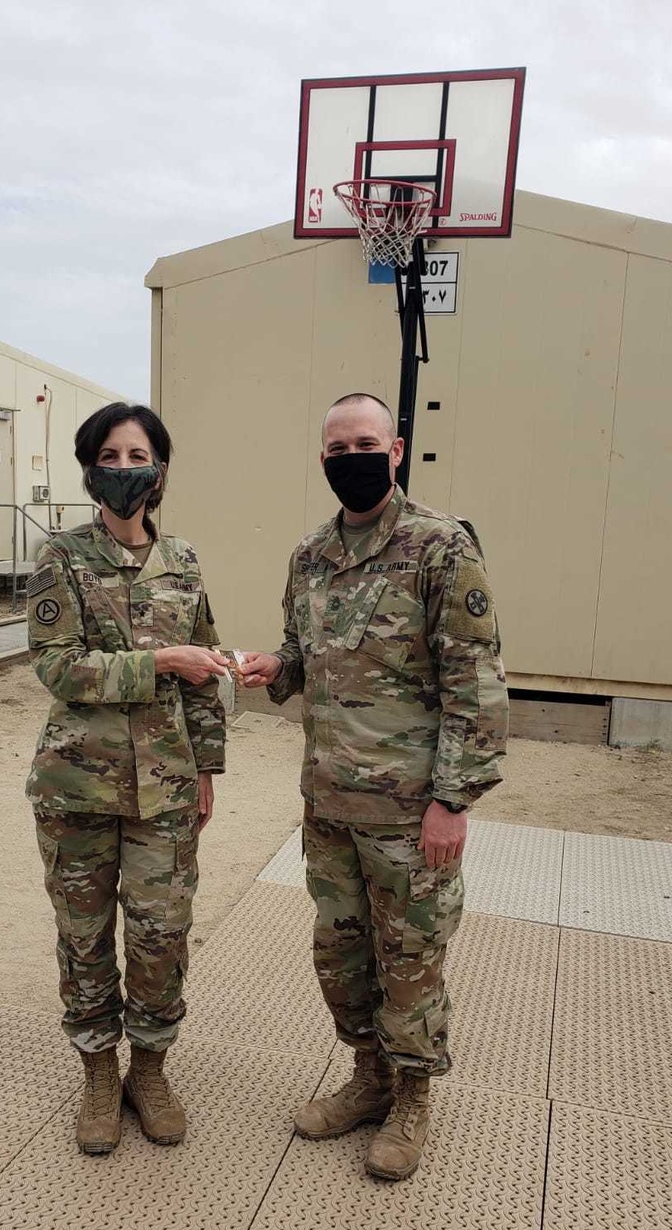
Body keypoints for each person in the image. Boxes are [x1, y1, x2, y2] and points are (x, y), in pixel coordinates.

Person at [241, 392, 508, 1181]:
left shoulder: (440, 548)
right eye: (336, 446)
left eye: (366, 442)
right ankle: (369, 1076)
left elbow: (477, 684)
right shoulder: (310, 555)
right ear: (323, 459)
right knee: (341, 955)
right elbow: (302, 653)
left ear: (394, 451)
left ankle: (415, 1098)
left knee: (410, 959)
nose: (350, 456)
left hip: (409, 813)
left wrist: (452, 801)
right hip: (328, 809)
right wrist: (272, 669)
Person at [26, 402, 227, 1155]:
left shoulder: (184, 563)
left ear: (160, 470)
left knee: (159, 935)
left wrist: (207, 767)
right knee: (83, 938)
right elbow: (57, 665)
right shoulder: (61, 559)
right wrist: (158, 664)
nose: (122, 468)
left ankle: (150, 1067)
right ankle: (98, 1074)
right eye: (108, 455)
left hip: (167, 790)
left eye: (135, 453)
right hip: (76, 788)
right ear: (89, 468)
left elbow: (204, 674)